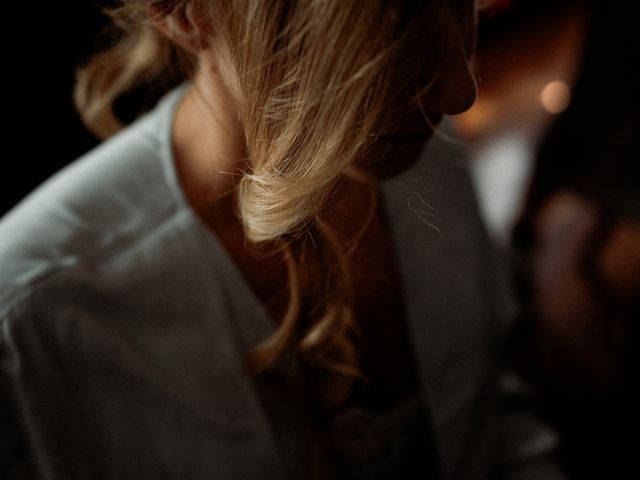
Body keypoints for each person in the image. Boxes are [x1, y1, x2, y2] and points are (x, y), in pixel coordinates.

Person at [0, 1, 565, 478]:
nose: (458, 89)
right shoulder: (33, 325)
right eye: (382, 30)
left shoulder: (425, 149)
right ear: (183, 12)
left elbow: (489, 411)